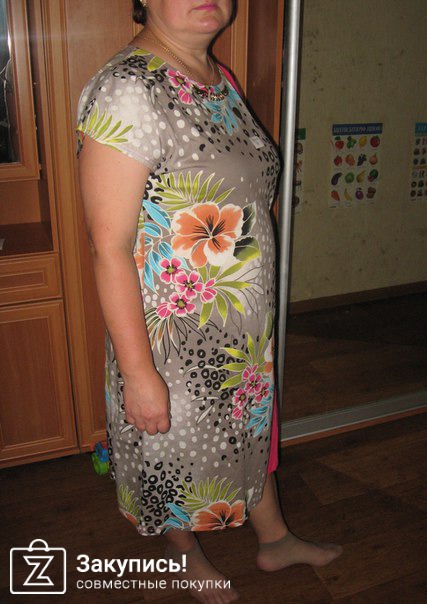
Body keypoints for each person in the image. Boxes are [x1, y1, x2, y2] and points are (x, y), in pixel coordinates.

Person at [76, 1, 343, 602]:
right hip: (173, 343)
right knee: (171, 455)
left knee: (247, 438)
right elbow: (108, 248)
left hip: (238, 336)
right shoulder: (127, 90)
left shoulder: (220, 79)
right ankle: (185, 555)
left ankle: (274, 539)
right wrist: (139, 374)